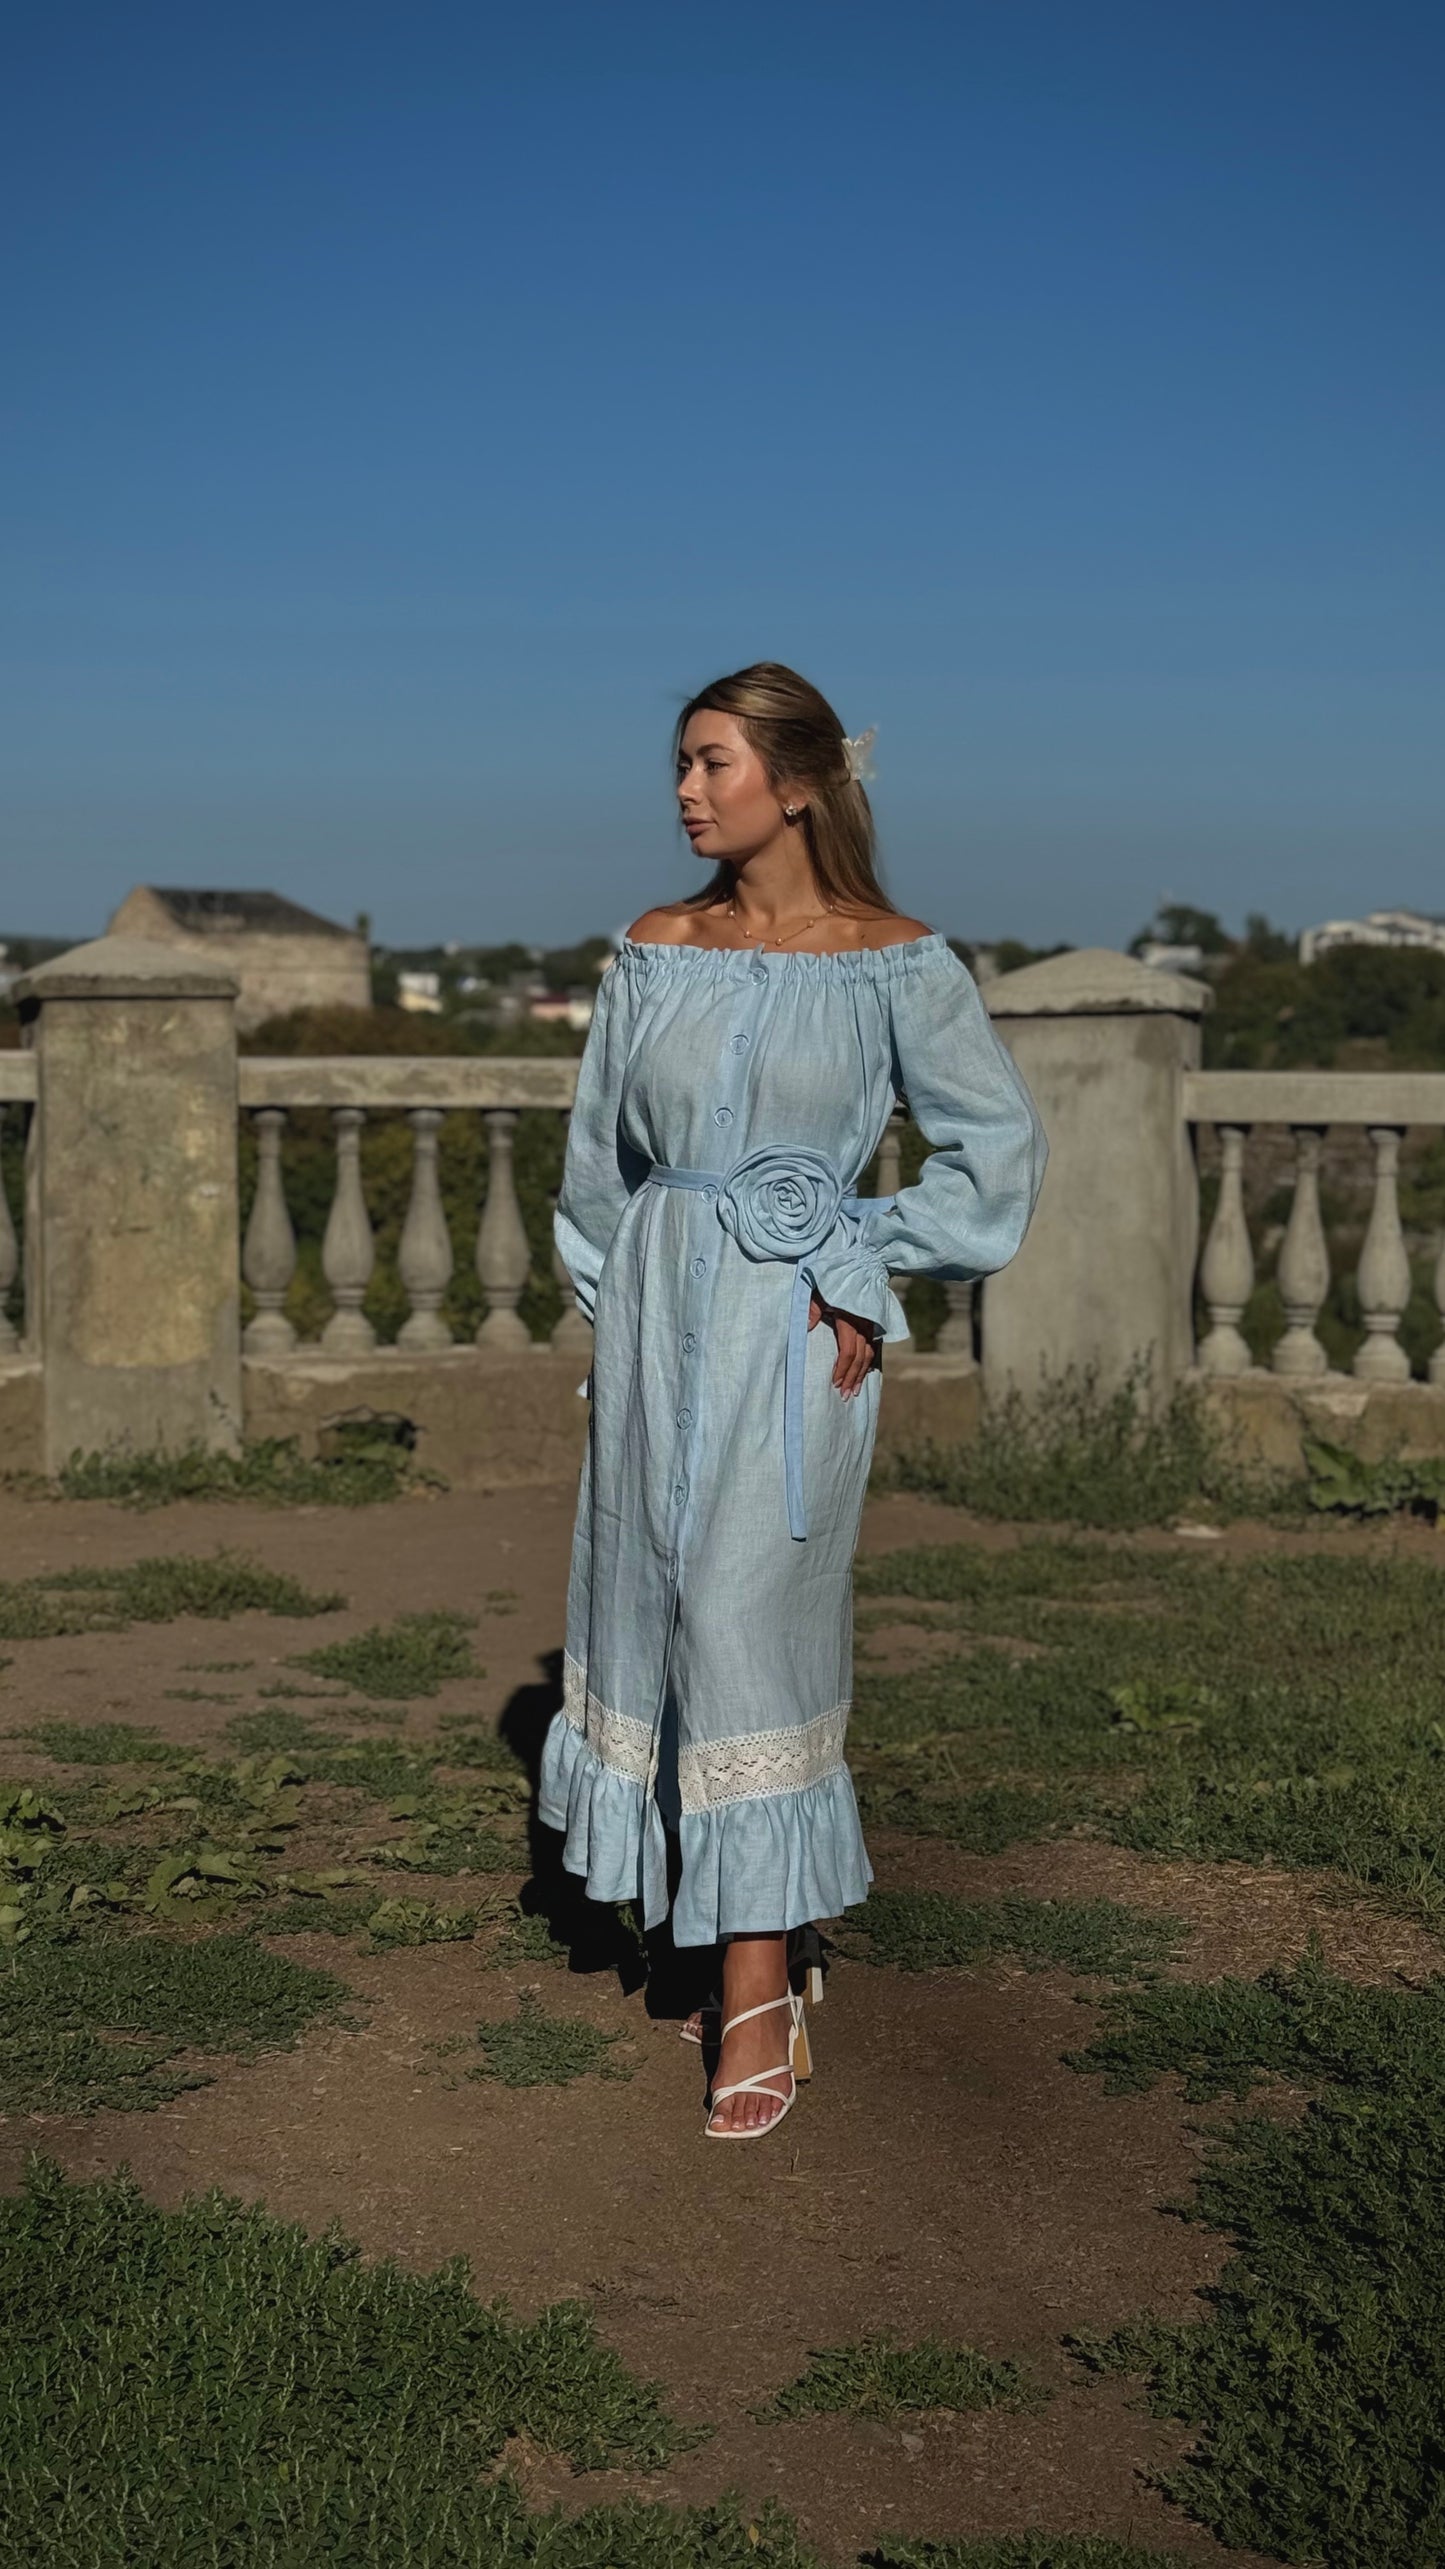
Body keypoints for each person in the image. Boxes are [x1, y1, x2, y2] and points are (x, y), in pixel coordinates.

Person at [539, 662, 1046, 2138]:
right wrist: (620, 1306)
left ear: (800, 781)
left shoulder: (898, 964)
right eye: (680, 768)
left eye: (711, 764)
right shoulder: (651, 948)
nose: (686, 792)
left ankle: (753, 1980)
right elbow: (596, 1171)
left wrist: (857, 1259)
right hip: (654, 1325)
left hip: (794, 1335)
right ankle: (720, 1923)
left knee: (743, 1618)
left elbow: (989, 1157)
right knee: (657, 1607)